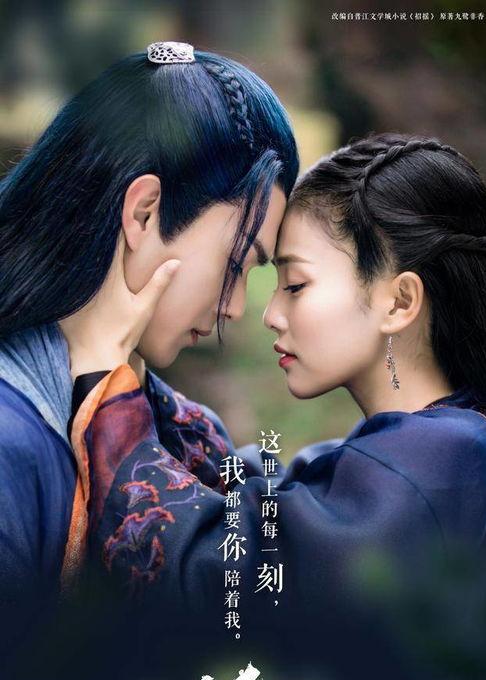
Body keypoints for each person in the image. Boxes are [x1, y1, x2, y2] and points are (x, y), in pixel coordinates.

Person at [63, 133, 486, 624]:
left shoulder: (444, 467)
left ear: (399, 302)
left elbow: (209, 574)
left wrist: (103, 376)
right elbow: (245, 494)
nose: (270, 314)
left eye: (295, 285)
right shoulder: (432, 454)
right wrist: (135, 368)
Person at [0, 41, 299, 612]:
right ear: (144, 213)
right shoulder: (11, 442)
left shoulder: (179, 432)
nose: (236, 307)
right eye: (235, 265)